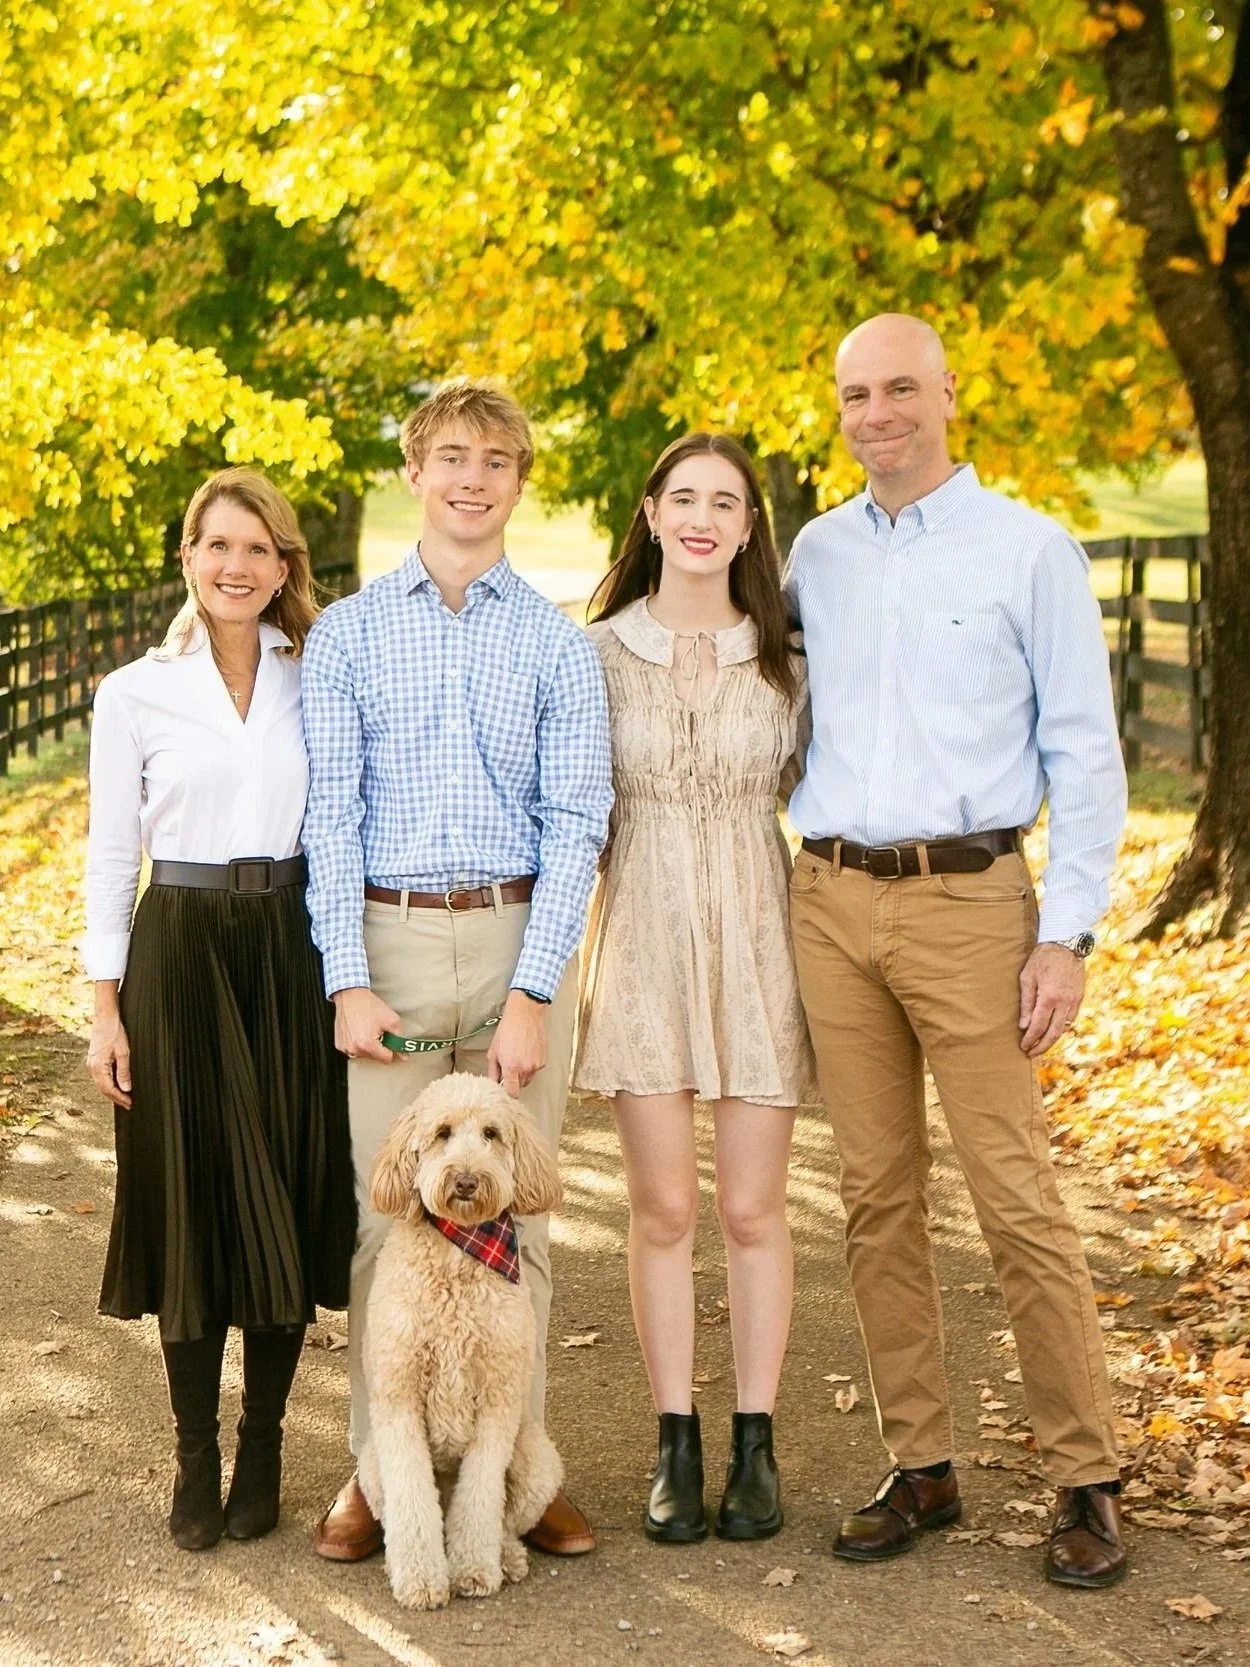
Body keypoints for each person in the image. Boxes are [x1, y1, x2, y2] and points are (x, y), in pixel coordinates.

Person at [784, 313, 1129, 1589]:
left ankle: (1083, 1477)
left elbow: (1085, 755)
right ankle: (920, 1463)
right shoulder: (814, 551)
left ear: (944, 395)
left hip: (971, 901)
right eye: (853, 394)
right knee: (874, 1199)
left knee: (1014, 1195)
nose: (874, 413)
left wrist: (1067, 933)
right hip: (827, 899)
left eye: (896, 389)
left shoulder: (1025, 548)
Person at [302, 379, 613, 1564]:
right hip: (384, 941)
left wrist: (535, 990)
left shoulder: (552, 642)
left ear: (516, 479)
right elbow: (331, 815)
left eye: (494, 459)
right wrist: (346, 975)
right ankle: (380, 1476)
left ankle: (517, 1471)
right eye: (449, 456)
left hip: (512, 936)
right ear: (414, 471)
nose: (471, 477)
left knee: (515, 1218)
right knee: (392, 1219)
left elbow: (575, 815)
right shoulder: (348, 635)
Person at [84, 469, 355, 1552]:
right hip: (180, 949)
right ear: (187, 556)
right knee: (193, 1198)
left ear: (284, 565)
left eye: (257, 548)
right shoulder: (133, 691)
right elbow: (112, 855)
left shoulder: (318, 672)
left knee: (283, 1189)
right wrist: (103, 1003)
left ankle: (266, 1442)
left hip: (290, 944)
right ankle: (194, 1451)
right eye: (214, 544)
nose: (235, 564)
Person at [576, 434, 816, 1544]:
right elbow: (568, 809)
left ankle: (753, 1442)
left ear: (748, 524)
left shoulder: (785, 656)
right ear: (651, 509)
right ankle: (674, 1437)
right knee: (666, 1206)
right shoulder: (595, 654)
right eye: (685, 497)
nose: (704, 517)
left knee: (749, 1207)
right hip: (641, 938)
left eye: (726, 501)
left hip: (759, 934)